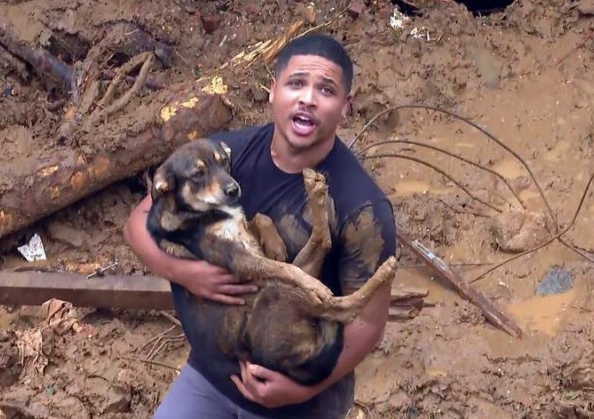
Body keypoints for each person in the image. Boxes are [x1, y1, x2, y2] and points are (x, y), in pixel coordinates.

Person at [123, 33, 397, 419]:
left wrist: (301, 389)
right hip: (210, 375)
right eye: (296, 83)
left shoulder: (362, 206)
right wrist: (184, 273)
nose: (308, 99)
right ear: (272, 91)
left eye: (326, 90)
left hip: (297, 401)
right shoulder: (222, 157)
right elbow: (137, 223)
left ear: (346, 108)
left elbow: (369, 324)